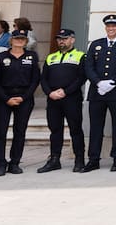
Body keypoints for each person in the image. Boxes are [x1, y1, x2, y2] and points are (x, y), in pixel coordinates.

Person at [82, 14, 116, 172]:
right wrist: (98, 82)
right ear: (105, 27)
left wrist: (113, 82)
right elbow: (88, 66)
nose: (111, 29)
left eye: (114, 26)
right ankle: (93, 159)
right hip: (97, 91)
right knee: (95, 127)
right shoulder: (96, 44)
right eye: (108, 26)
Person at [0, 28, 40, 176]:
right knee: (0, 131)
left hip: (24, 98)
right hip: (2, 98)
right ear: (11, 40)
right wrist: (6, 98)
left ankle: (14, 163)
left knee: (20, 132)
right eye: (17, 38)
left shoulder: (32, 57)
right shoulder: (0, 57)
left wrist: (24, 97)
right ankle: (0, 163)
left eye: (22, 39)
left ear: (26, 41)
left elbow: (35, 79)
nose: (19, 41)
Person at [38, 29, 87, 173]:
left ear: (72, 40)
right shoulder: (51, 57)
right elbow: (43, 78)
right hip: (53, 99)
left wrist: (65, 91)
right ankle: (54, 159)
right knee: (55, 130)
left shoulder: (80, 56)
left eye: (65, 38)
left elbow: (81, 78)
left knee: (75, 130)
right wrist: (49, 93)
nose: (61, 41)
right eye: (59, 39)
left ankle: (79, 160)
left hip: (71, 99)